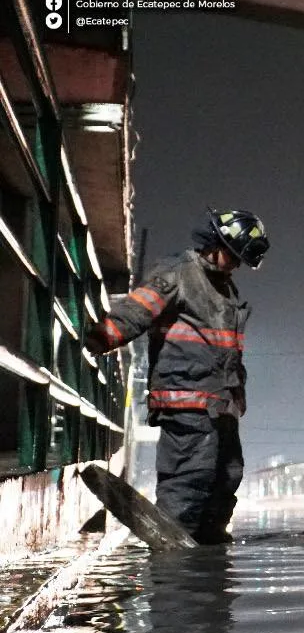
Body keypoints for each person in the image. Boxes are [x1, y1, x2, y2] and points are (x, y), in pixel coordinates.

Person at [85, 209, 270, 544]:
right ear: (216, 242)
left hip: (221, 405)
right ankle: (174, 563)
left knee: (228, 476)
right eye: (232, 255)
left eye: (239, 260)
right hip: (185, 399)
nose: (234, 264)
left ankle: (206, 551)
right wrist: (102, 337)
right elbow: (137, 311)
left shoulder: (226, 289)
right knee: (190, 477)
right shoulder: (178, 273)